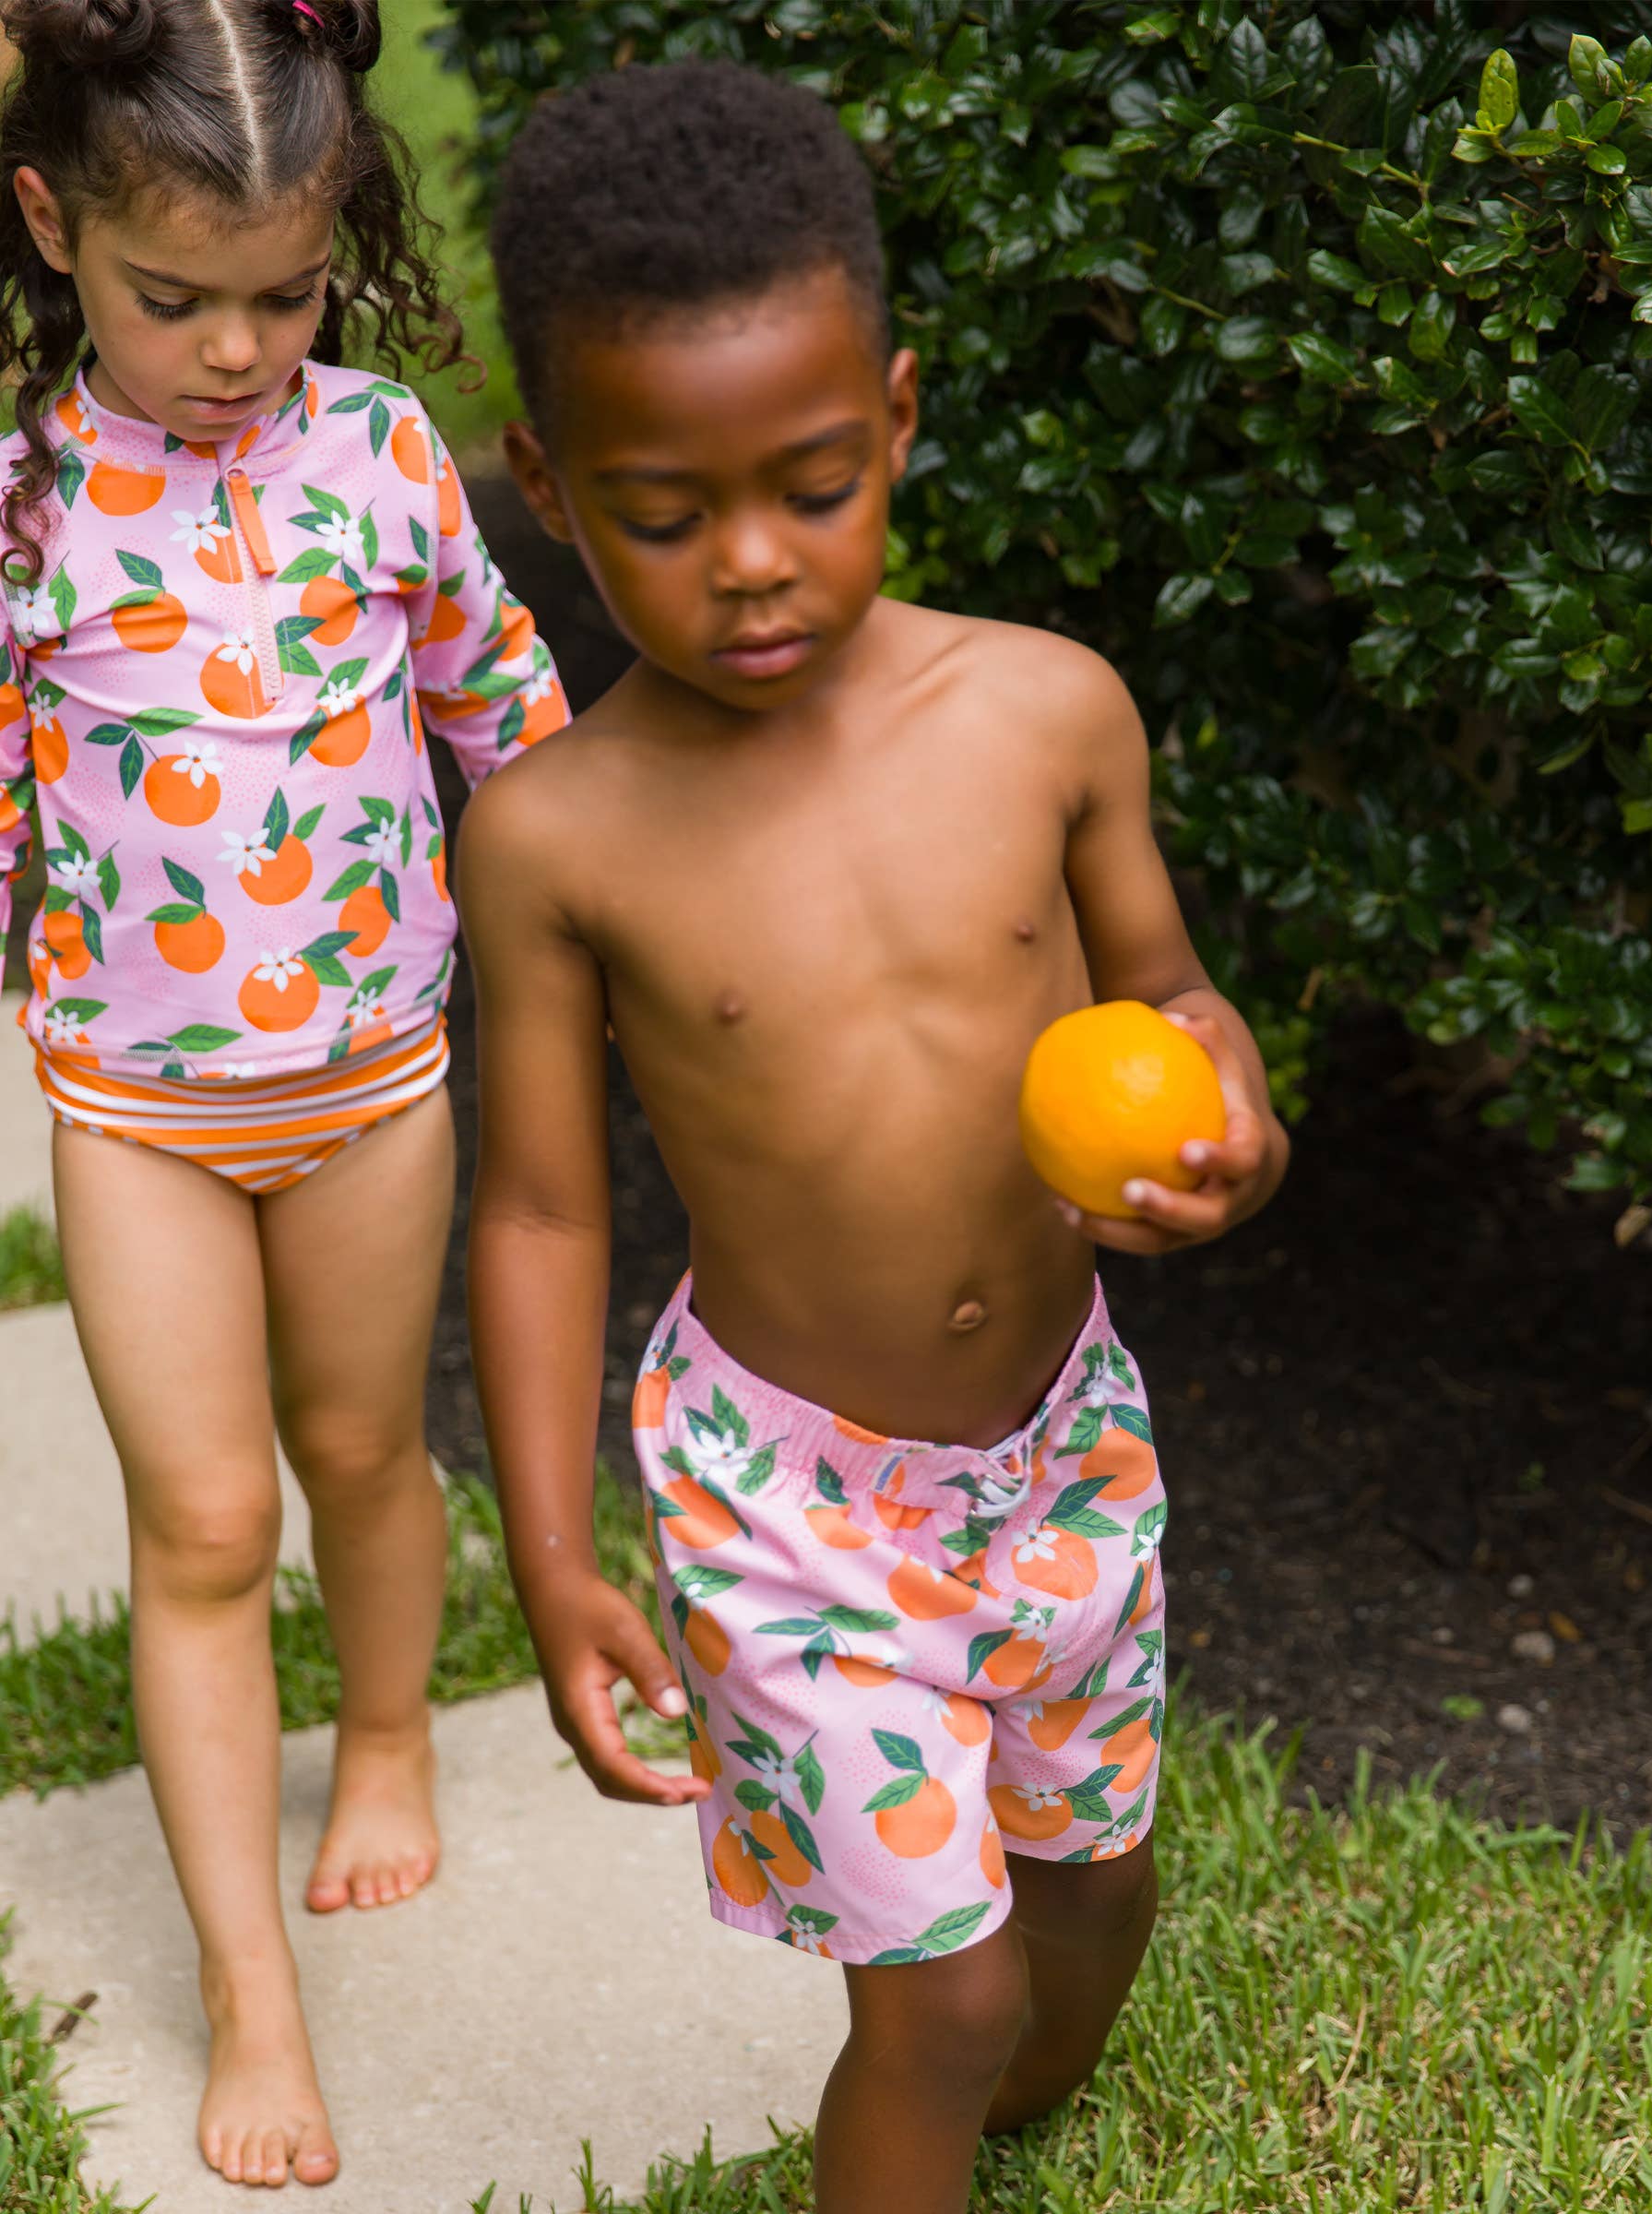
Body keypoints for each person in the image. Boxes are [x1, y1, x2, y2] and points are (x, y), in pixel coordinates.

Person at [463, 58, 1287, 2214]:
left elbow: (1176, 1001)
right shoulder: (559, 839)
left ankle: (1003, 2094)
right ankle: (933, 2089)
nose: (753, 564)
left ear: (897, 420)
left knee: (1088, 1903)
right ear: (550, 481)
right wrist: (553, 1555)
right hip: (793, 1511)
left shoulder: (1044, 712)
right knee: (939, 2003)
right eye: (666, 517)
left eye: (815, 487)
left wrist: (1234, 1127)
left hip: (1063, 1444)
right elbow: (540, 1208)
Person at [0, 0, 565, 2188]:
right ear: (52, 225)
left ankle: (392, 1733)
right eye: (174, 300)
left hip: (374, 1083)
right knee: (211, 1526)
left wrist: (616, 914)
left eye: (288, 293)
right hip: (138, 1110)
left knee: (359, 1452)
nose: (236, 349)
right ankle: (251, 1987)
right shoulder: (30, 504)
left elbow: (501, 709)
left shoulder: (387, 455)